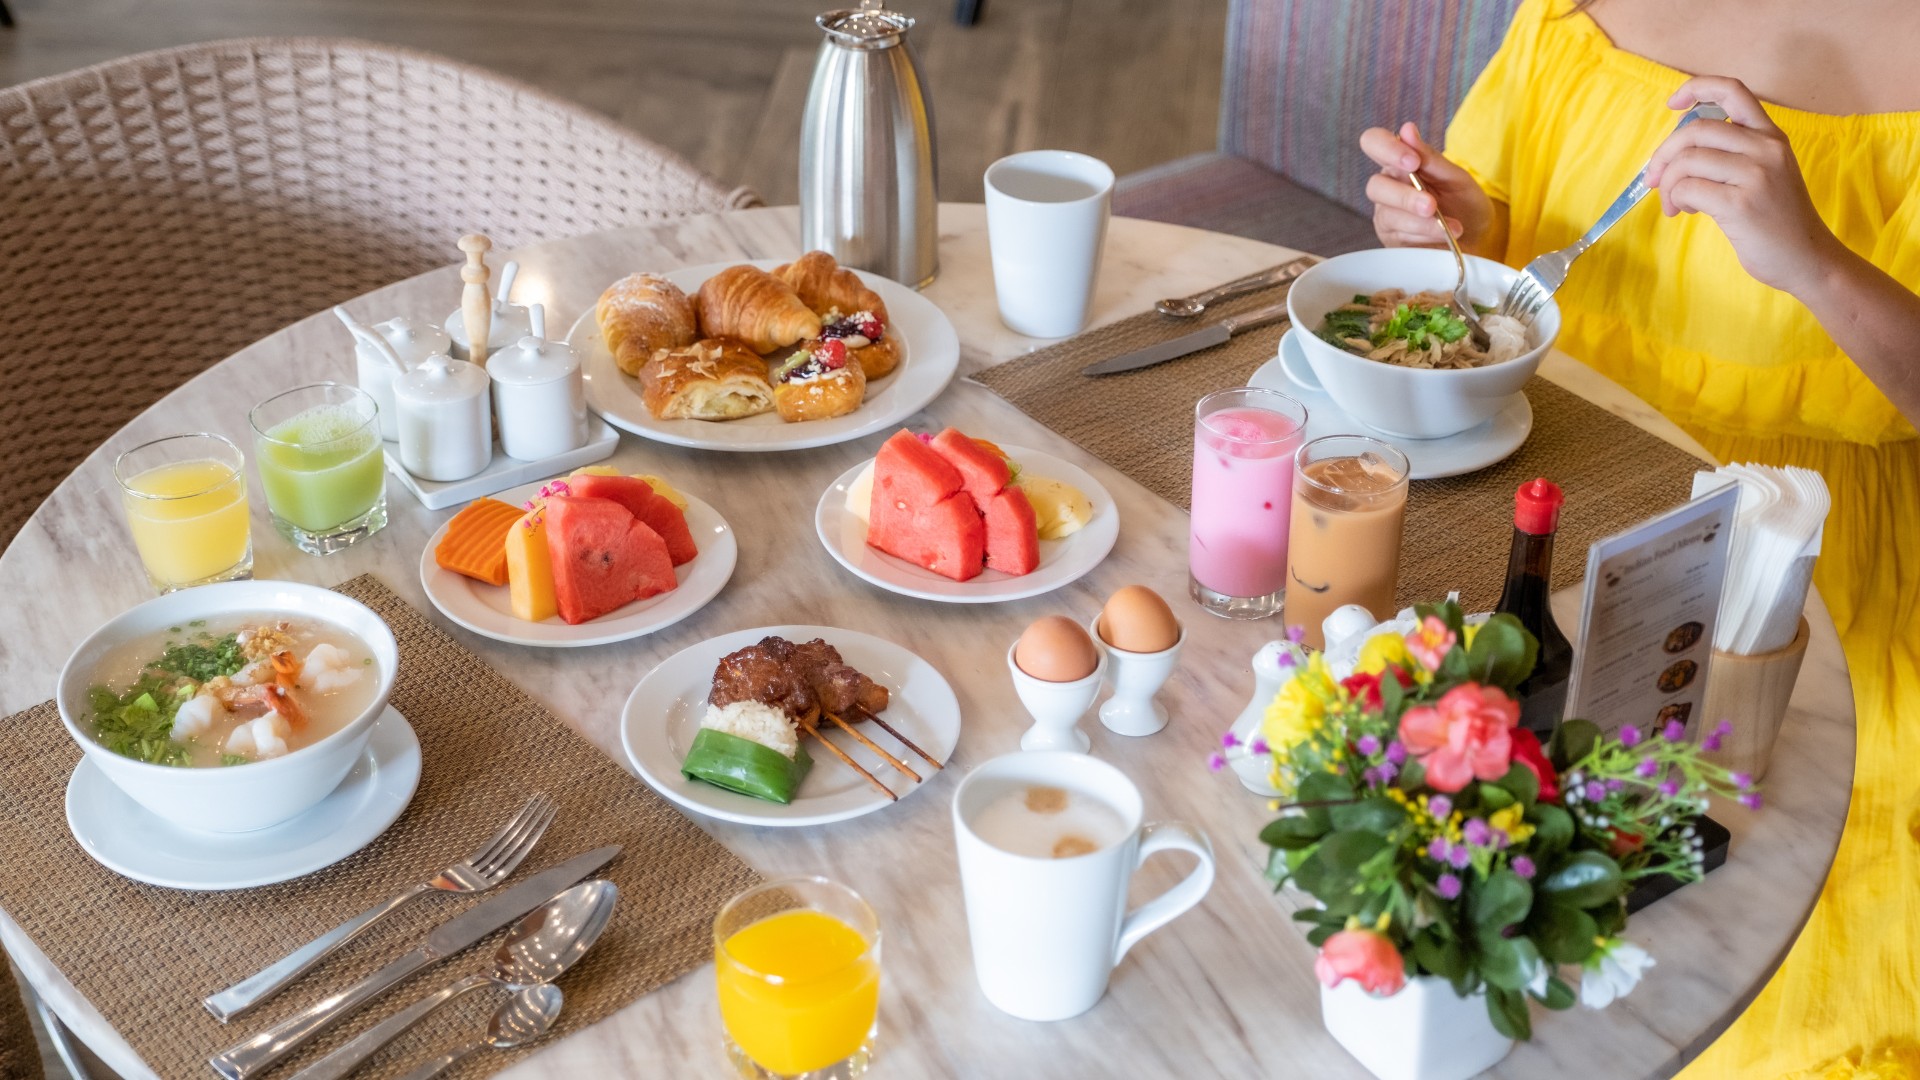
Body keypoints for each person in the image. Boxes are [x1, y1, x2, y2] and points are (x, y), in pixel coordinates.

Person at [1359, 1, 1920, 1077]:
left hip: (1799, 571)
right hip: (1550, 492)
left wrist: (1816, 263)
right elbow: (1515, 231)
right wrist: (1468, 228)